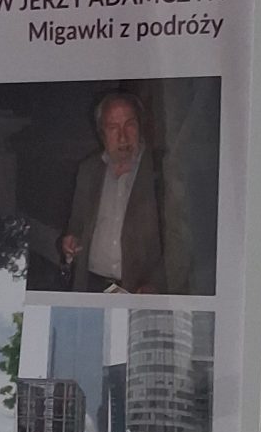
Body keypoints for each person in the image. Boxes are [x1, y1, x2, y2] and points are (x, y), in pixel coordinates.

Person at [61, 91, 184, 293]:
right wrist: (71, 241)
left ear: (140, 126)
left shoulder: (161, 170)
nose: (123, 137)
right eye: (113, 128)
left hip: (137, 291)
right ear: (102, 134)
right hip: (90, 286)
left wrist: (156, 284)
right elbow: (76, 225)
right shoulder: (88, 170)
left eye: (130, 125)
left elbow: (180, 242)